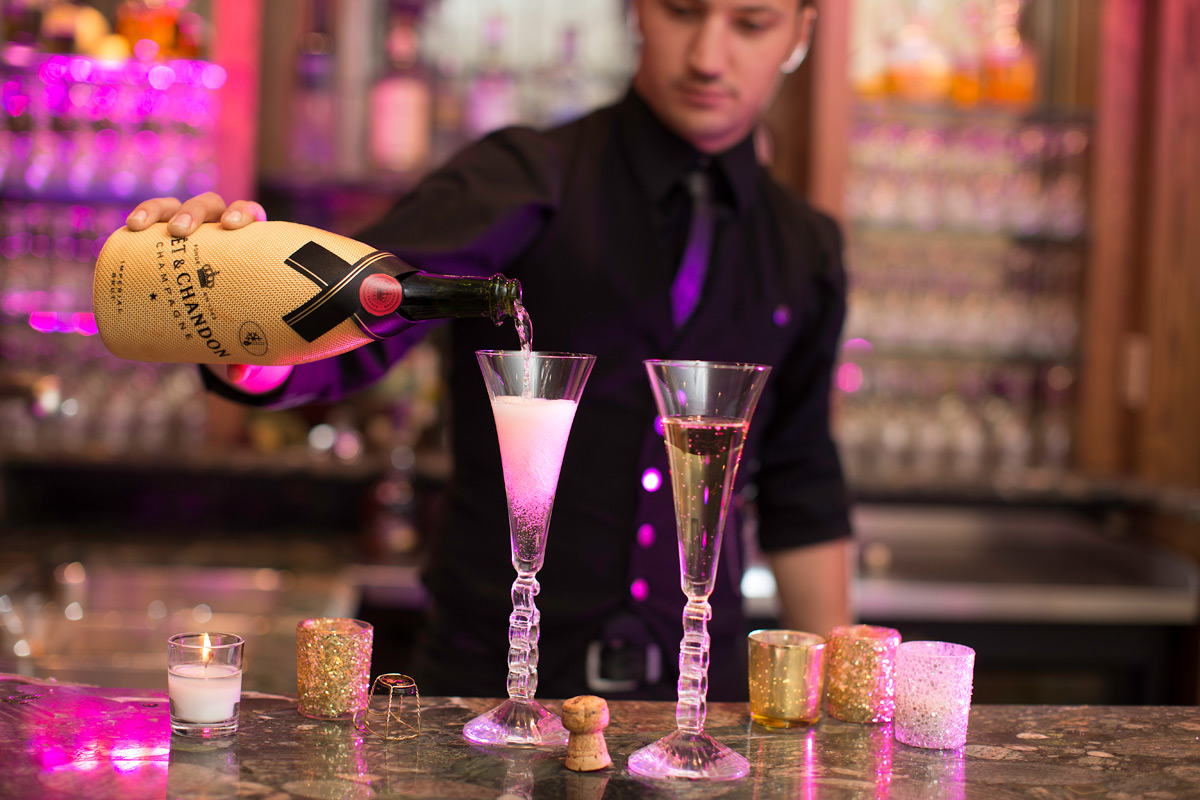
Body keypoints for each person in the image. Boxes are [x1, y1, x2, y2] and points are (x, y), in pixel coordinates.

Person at [125, 0, 852, 701]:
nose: (707, 55)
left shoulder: (805, 247)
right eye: (681, 11)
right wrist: (228, 308)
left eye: (751, 23)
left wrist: (845, 720)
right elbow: (361, 316)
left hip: (699, 703)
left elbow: (801, 481)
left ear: (799, 33)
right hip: (494, 693)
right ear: (636, 8)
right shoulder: (523, 175)